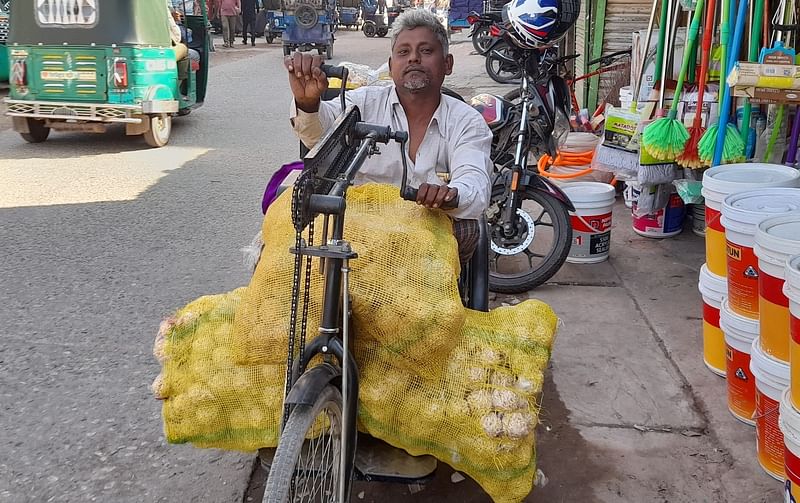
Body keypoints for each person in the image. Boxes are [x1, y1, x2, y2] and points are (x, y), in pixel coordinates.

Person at [285, 9, 492, 264]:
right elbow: (320, 134)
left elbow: (475, 185)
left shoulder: (466, 121)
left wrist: (450, 195)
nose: (414, 58)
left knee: (470, 229)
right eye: (403, 52)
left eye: (426, 51)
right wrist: (307, 102)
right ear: (392, 65)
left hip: (428, 244)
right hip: (359, 231)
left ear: (447, 64)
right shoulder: (363, 104)